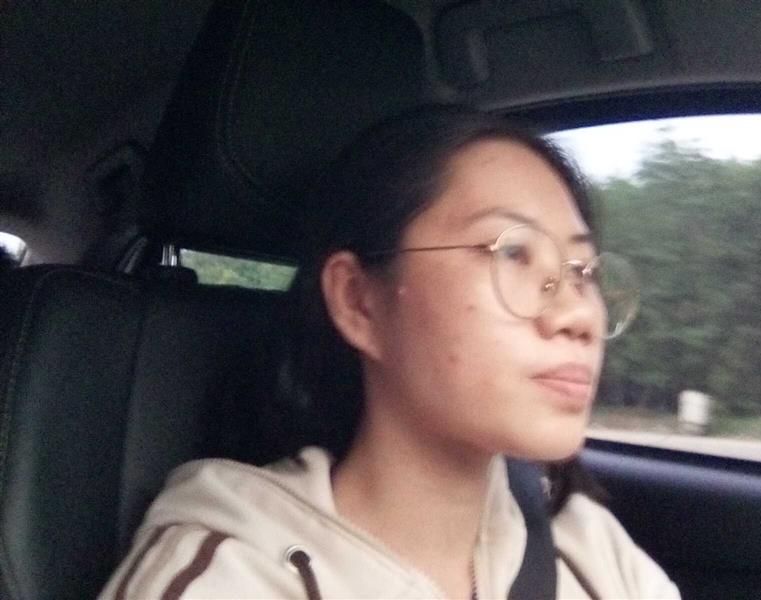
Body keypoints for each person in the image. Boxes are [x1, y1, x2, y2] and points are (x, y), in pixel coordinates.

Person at [100, 106, 679, 599]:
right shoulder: (226, 576)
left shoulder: (590, 552)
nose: (579, 314)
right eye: (512, 253)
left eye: (582, 271)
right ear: (359, 302)